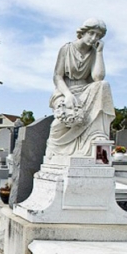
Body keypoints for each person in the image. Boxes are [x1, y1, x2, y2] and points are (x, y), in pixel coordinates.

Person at [45, 18, 115, 158]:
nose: (94, 38)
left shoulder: (94, 52)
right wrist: (68, 95)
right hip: (65, 90)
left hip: (86, 91)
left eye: (98, 36)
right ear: (83, 32)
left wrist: (100, 53)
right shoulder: (66, 49)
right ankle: (54, 153)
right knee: (58, 126)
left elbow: (98, 78)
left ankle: (98, 140)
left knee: (103, 86)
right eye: (91, 33)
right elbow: (57, 77)